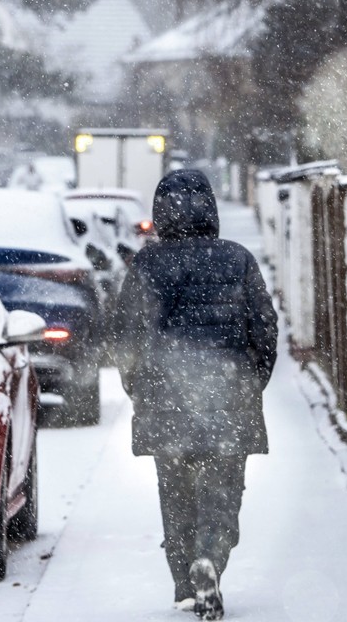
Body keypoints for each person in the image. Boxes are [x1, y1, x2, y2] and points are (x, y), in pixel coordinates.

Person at [112, 169, 277, 620]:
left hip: (166, 402)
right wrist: (248, 383)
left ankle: (185, 582)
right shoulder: (238, 259)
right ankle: (211, 559)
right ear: (211, 207)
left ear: (159, 212)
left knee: (176, 492)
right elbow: (264, 329)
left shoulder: (146, 265)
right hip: (228, 399)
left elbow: (126, 335)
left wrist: (141, 389)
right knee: (222, 492)